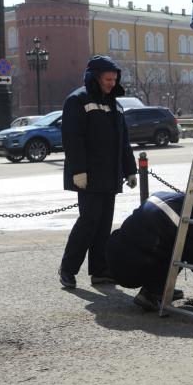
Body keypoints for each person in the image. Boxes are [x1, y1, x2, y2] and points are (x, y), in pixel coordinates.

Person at [58, 55, 138, 289]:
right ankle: (68, 269)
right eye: (108, 79)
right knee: (88, 222)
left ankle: (100, 271)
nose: (112, 83)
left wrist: (130, 169)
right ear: (95, 78)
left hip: (110, 174)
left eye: (114, 79)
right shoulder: (77, 100)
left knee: (104, 225)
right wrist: (79, 171)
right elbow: (73, 139)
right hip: (89, 176)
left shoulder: (115, 104)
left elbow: (124, 141)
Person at [106, 190, 193, 311]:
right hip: (131, 271)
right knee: (180, 252)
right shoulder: (184, 223)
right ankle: (154, 292)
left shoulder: (163, 196)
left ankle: (153, 291)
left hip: (113, 257)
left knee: (167, 245)